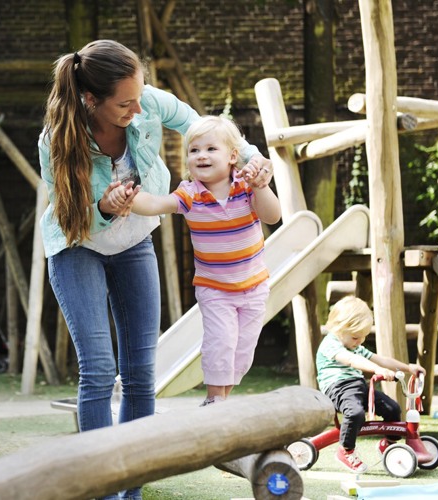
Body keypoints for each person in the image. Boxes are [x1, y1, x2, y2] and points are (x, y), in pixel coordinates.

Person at [38, 39, 272, 500]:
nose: (138, 107)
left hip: (133, 241)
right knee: (100, 369)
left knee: (141, 372)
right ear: (91, 100)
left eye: (140, 95)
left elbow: (203, 126)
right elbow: (71, 215)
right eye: (125, 103)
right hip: (77, 243)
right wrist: (104, 205)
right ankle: (99, 486)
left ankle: (132, 489)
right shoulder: (57, 141)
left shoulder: (146, 103)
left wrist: (250, 161)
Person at [119, 115, 281, 407]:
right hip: (215, 288)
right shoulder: (190, 195)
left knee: (242, 351)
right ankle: (214, 398)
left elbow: (272, 216)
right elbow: (157, 203)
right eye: (194, 150)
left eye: (210, 149)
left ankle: (223, 399)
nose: (201, 155)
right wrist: (129, 199)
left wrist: (260, 187)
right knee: (221, 342)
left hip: (254, 286)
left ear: (233, 156)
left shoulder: (246, 187)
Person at [316, 296, 426, 473]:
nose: (360, 341)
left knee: (393, 409)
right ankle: (346, 450)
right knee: (355, 413)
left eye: (363, 337)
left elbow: (380, 359)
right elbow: (351, 361)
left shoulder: (355, 346)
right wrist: (377, 370)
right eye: (355, 337)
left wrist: (408, 368)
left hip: (358, 387)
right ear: (339, 328)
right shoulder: (331, 344)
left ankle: (389, 444)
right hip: (337, 389)